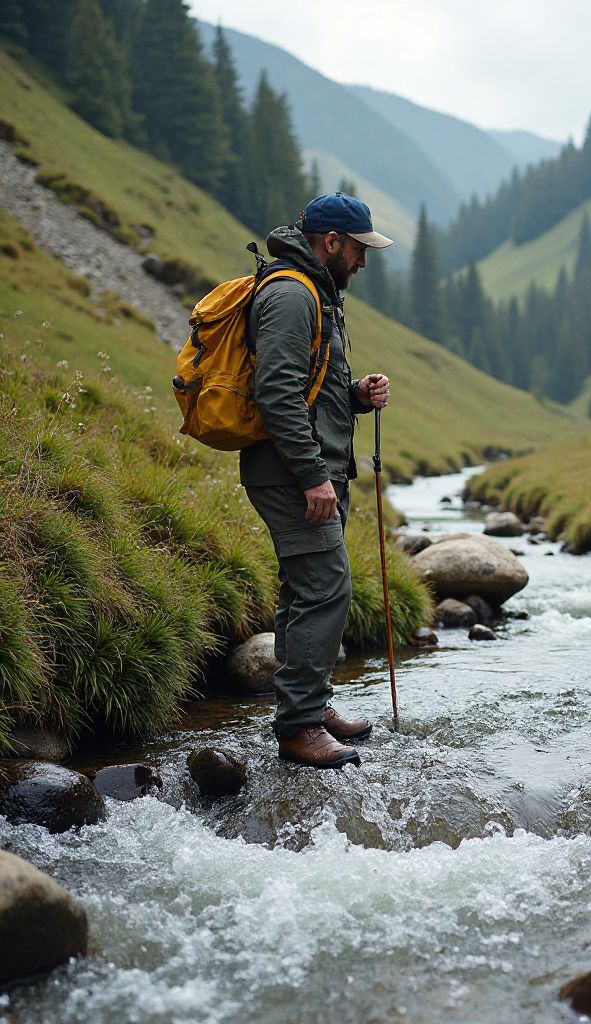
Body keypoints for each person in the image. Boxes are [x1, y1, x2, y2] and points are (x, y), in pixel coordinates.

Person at [243, 192, 392, 767]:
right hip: (292, 473)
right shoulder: (289, 295)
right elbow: (275, 394)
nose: (362, 262)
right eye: (358, 250)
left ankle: (312, 702)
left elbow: (308, 390)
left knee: (303, 589)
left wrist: (355, 398)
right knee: (327, 586)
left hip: (312, 465)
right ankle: (300, 727)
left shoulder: (316, 291)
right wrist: (311, 477)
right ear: (331, 242)